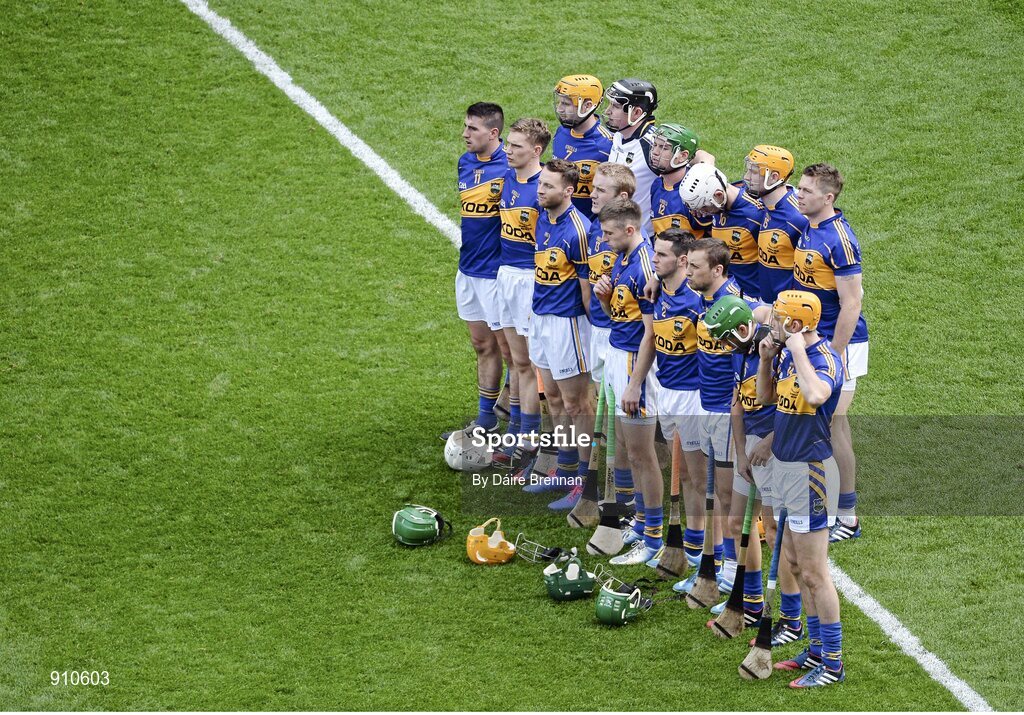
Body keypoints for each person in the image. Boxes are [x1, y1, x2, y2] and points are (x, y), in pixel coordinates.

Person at [755, 290, 846, 688]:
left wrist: (796, 349)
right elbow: (764, 398)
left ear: (794, 325)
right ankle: (814, 651)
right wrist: (765, 359)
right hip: (786, 467)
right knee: (792, 564)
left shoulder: (823, 360)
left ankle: (833, 662)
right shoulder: (790, 353)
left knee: (814, 573)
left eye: (777, 319)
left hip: (811, 473)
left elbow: (815, 395)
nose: (770, 323)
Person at [679, 239, 765, 595]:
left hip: (727, 412)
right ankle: (724, 565)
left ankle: (734, 571)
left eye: (695, 268)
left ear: (717, 270)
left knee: (730, 499)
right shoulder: (704, 297)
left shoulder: (734, 303)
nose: (688, 273)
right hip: (708, 405)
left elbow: (764, 314)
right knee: (714, 491)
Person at [794, 163, 869, 542]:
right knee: (817, 425)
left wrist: (834, 354)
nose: (799, 194)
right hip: (815, 340)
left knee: (831, 425)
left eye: (806, 190)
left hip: (841, 344)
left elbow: (852, 303)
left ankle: (848, 516)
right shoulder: (810, 226)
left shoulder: (839, 239)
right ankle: (825, 505)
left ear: (828, 197)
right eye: (799, 187)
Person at [593, 197, 661, 566]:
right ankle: (640, 522)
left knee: (641, 452)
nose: (603, 240)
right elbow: (620, 315)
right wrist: (604, 299)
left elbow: (651, 332)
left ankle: (652, 539)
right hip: (621, 356)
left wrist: (635, 383)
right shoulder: (623, 259)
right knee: (625, 445)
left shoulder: (645, 266)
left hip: (637, 362)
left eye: (608, 233)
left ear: (630, 230)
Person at [529, 159, 594, 499]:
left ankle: (585, 481)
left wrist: (594, 331)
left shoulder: (579, 231)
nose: (540, 190)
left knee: (577, 405)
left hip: (568, 324)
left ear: (568, 191)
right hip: (541, 318)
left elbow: (586, 289)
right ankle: (565, 469)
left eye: (548, 186)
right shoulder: (542, 219)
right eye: (540, 184)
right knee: (552, 397)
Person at [492, 118, 550, 467]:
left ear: (536, 150)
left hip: (530, 280)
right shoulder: (509, 178)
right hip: (506, 276)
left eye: (515, 146)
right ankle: (517, 429)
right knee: (514, 361)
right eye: (508, 144)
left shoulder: (545, 188)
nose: (508, 150)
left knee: (528, 364)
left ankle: (529, 443)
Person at [649, 228, 708, 570]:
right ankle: (692, 548)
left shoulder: (697, 300)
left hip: (692, 398)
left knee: (699, 479)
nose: (653, 260)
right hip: (666, 392)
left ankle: (703, 555)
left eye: (660, 255)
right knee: (683, 474)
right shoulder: (660, 291)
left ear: (682, 261)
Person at [454, 102, 511, 439]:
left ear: (493, 133)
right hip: (468, 269)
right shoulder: (465, 162)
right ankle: (485, 420)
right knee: (481, 345)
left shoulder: (510, 168)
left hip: (496, 274)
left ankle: (517, 423)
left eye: (472, 129)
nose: (465, 134)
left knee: (512, 354)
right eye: (465, 127)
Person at [679, 161, 767, 300]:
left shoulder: (755, 214)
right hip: (728, 294)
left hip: (754, 298)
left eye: (705, 207)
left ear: (718, 195)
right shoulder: (718, 206)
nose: (703, 213)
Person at [742, 145, 805, 303]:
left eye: (754, 172)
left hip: (789, 308)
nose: (746, 177)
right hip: (767, 302)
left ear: (774, 177)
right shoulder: (765, 204)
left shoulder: (796, 218)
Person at [552, 75, 614, 219]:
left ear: (587, 106)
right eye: (559, 102)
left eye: (566, 104)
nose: (560, 109)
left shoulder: (607, 145)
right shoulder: (561, 132)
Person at [604, 78, 659, 236]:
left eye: (615, 106)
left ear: (636, 113)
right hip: (616, 231)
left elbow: (691, 158)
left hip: (641, 237)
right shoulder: (618, 136)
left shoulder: (654, 145)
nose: (608, 111)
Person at [648, 123, 712, 239]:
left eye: (664, 148)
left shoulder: (694, 193)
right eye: (655, 145)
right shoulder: (657, 184)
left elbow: (714, 240)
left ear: (682, 156)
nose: (655, 152)